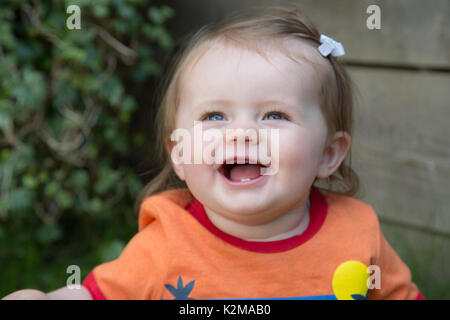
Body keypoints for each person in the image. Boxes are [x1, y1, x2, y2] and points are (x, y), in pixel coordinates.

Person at [3, 6, 424, 300]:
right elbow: (97, 295)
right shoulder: (167, 245)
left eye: (274, 115)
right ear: (181, 155)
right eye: (215, 117)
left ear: (329, 154)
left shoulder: (357, 233)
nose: (241, 133)